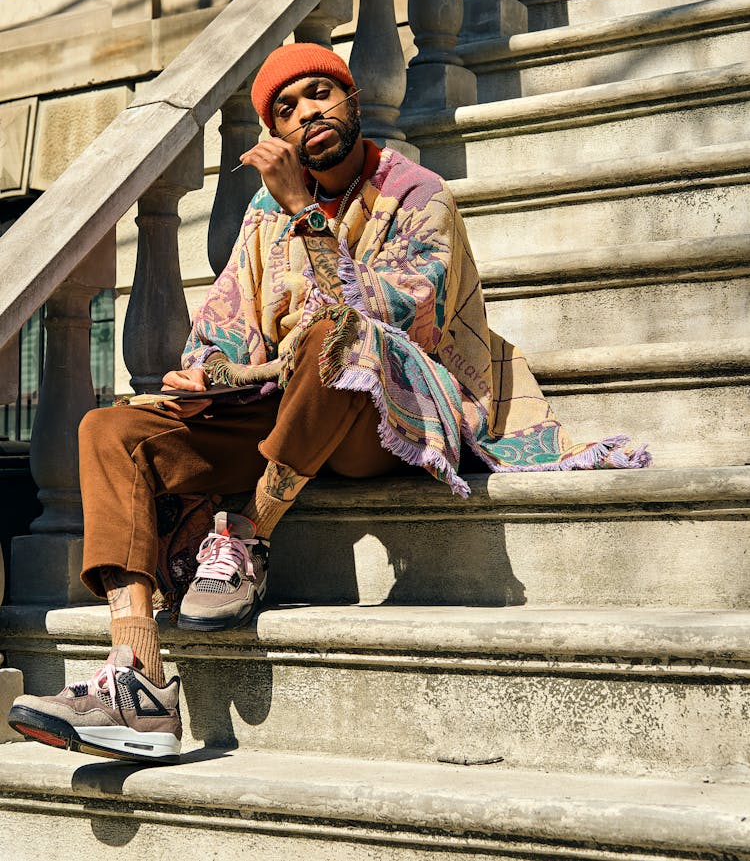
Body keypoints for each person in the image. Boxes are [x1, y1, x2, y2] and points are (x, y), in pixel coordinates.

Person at [7, 44, 650, 765]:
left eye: (321, 93)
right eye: (287, 107)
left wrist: (303, 211)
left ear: (351, 101)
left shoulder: (419, 194)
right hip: (288, 405)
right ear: (276, 134)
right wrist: (215, 374)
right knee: (110, 428)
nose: (308, 110)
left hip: (389, 416)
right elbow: (221, 332)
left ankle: (246, 536)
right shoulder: (261, 213)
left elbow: (381, 319)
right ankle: (138, 679)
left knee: (334, 335)